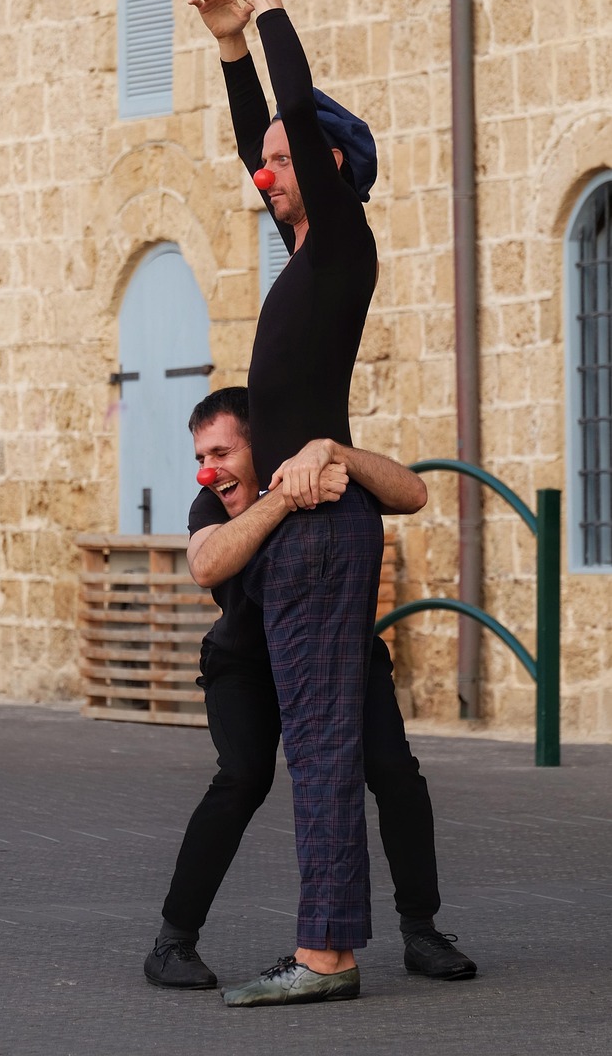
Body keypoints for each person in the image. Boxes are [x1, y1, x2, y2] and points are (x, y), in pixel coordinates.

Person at [190, 0, 390, 1005]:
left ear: (329, 168)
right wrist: (231, 49)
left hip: (318, 525)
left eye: (285, 160)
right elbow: (253, 142)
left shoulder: (343, 242)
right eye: (264, 162)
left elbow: (296, 122)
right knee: (318, 741)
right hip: (297, 529)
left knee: (319, 743)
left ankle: (325, 957)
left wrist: (270, 10)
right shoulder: (306, 254)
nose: (264, 173)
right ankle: (328, 947)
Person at [144, 389, 477, 996]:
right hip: (246, 665)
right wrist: (279, 501)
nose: (207, 470)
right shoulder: (212, 501)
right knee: (243, 778)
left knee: (395, 773)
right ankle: (173, 941)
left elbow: (413, 493)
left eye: (221, 452)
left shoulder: (322, 476)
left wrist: (334, 454)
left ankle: (422, 932)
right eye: (200, 456)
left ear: (261, 444)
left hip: (340, 652)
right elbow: (207, 565)